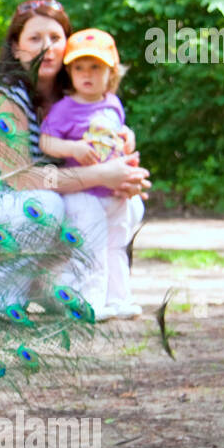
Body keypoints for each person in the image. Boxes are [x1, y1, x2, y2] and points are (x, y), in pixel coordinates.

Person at [0, 0, 150, 316]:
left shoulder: (68, 101)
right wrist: (102, 176)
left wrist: (121, 173)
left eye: (56, 39)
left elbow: (80, 161)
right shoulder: (3, 98)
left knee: (125, 204)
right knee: (44, 206)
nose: (47, 47)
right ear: (16, 48)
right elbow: (20, 179)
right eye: (34, 39)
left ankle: (60, 288)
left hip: (10, 208)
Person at [39, 28, 142, 320]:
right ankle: (91, 302)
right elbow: (47, 141)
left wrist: (127, 135)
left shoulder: (112, 103)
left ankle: (119, 299)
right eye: (79, 67)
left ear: (111, 72)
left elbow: (115, 132)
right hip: (82, 192)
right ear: (69, 72)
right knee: (92, 245)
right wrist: (72, 147)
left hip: (111, 192)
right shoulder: (64, 108)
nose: (87, 74)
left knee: (116, 245)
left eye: (96, 67)